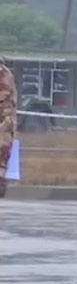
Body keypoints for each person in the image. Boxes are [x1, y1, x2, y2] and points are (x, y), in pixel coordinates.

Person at [0, 55, 15, 198]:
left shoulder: (4, 75)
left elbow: (6, 97)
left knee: (3, 154)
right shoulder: (7, 74)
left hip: (4, 122)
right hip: (6, 122)